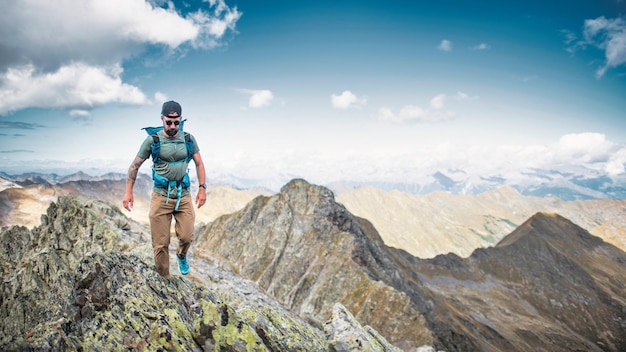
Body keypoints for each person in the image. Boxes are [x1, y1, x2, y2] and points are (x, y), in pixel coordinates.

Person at [123, 100, 207, 281]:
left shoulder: (188, 139)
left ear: (180, 120)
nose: (172, 126)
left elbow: (199, 163)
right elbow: (135, 166)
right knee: (160, 244)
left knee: (187, 236)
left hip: (183, 195)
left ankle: (182, 255)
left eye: (176, 122)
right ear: (162, 118)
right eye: (168, 121)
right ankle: (164, 279)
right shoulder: (152, 141)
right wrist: (128, 192)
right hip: (161, 196)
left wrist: (202, 188)